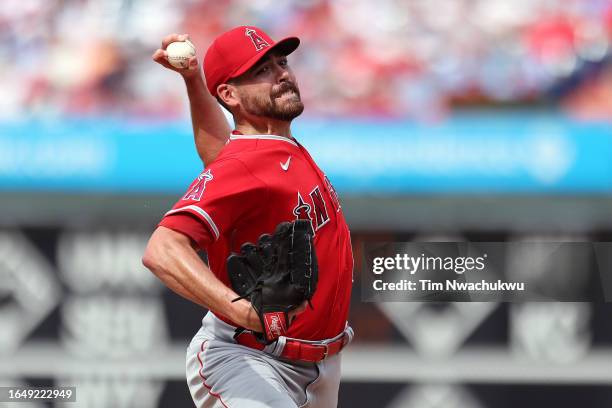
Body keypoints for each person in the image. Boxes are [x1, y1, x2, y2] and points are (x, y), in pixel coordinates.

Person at [143, 26, 354, 408]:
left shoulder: (268, 148)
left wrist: (193, 81)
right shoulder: (250, 161)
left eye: (282, 63)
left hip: (319, 366)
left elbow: (219, 154)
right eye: (262, 71)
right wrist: (240, 309)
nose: (282, 74)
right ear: (228, 94)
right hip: (247, 358)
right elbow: (162, 248)